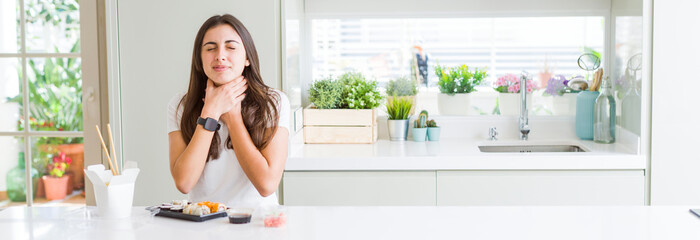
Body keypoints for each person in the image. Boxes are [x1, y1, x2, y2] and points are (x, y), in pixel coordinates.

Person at [167, 14, 290, 207]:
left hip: (257, 222)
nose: (220, 56)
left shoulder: (274, 102)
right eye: (210, 48)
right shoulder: (181, 105)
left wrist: (233, 119)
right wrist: (211, 112)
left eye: (231, 47)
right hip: (203, 222)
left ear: (247, 57)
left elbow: (267, 185)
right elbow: (184, 182)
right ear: (199, 60)